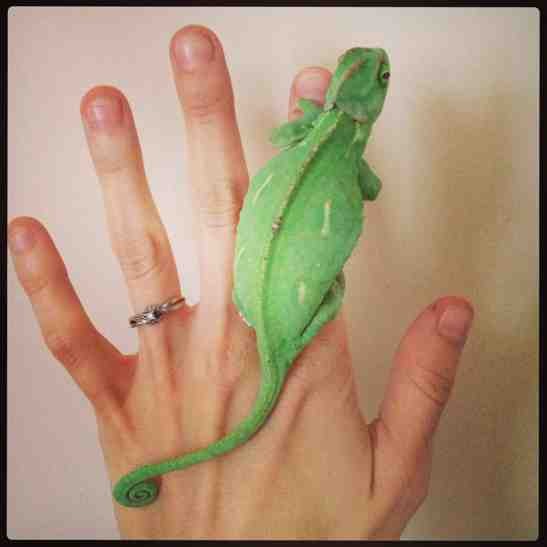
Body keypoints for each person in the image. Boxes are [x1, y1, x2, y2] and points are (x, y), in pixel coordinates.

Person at [7, 24, 474, 539]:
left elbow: (283, 139)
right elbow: (371, 186)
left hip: (258, 297)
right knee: (322, 301)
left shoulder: (317, 128)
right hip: (277, 306)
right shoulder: (350, 146)